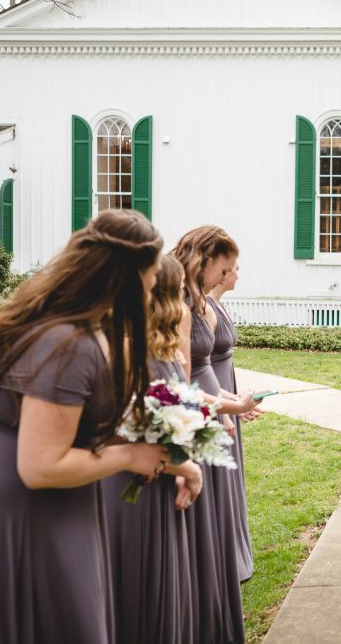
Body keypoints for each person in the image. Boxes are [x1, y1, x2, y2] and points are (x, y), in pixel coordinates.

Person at [0, 210, 168, 644]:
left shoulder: (85, 325)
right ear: (125, 277)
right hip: (13, 509)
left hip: (44, 503)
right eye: (151, 278)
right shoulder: (66, 343)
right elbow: (40, 465)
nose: (154, 289)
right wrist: (130, 455)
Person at [100, 254, 203, 644]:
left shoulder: (166, 349)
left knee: (162, 586)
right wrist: (186, 469)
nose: (183, 300)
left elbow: (178, 409)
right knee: (138, 586)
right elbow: (123, 428)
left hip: (162, 479)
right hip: (133, 486)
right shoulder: (128, 349)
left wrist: (185, 456)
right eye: (178, 291)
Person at [172, 225, 257, 644]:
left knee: (213, 511)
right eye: (223, 268)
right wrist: (220, 406)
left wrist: (227, 405)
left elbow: (195, 373)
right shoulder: (176, 304)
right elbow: (174, 380)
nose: (225, 276)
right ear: (202, 261)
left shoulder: (198, 300)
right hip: (184, 422)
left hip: (204, 412)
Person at [208, 262, 256, 581]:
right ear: (222, 273)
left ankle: (235, 549)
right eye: (235, 268)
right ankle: (220, 554)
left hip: (226, 387)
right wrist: (225, 405)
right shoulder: (204, 308)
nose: (239, 273)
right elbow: (201, 366)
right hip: (212, 394)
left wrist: (237, 401)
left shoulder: (219, 306)